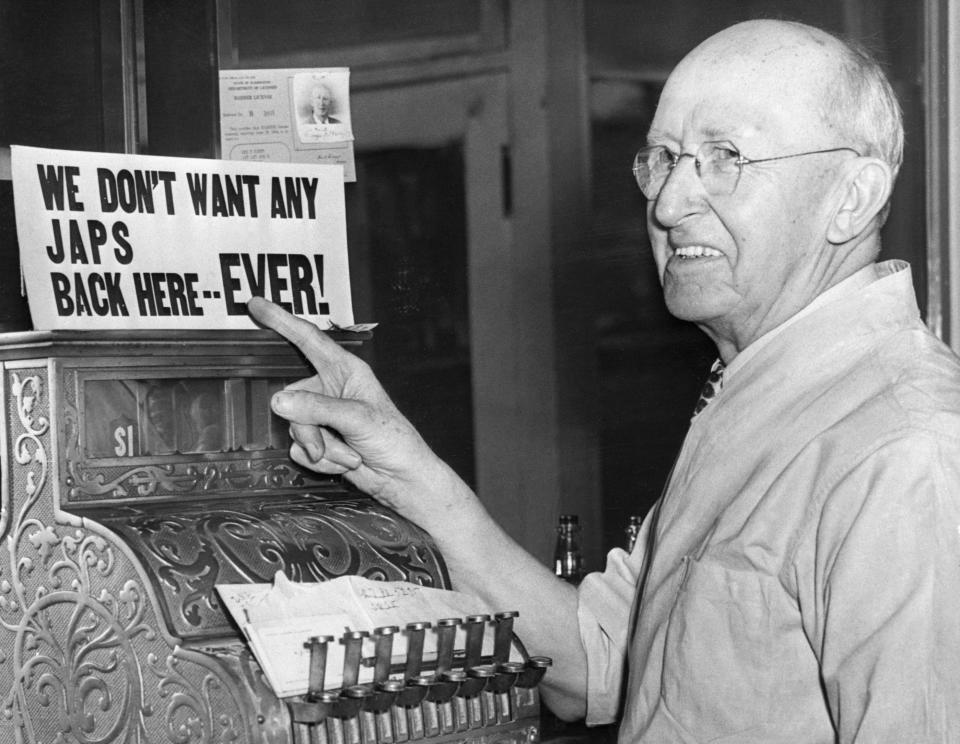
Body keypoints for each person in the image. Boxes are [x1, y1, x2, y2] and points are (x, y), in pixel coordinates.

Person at [248, 18, 960, 743]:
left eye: (725, 157)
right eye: (664, 158)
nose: (668, 204)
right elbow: (598, 660)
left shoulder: (907, 452)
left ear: (852, 197)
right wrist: (403, 472)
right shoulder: (768, 397)